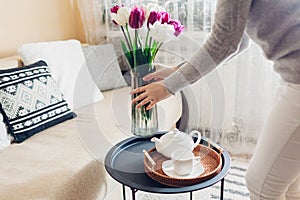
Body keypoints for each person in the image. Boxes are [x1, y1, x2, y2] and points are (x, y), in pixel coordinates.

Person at [131, 0, 300, 199]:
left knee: (261, 185)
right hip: (292, 76)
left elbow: (224, 42)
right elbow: (238, 40)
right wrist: (177, 71)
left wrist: (169, 87)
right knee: (288, 184)